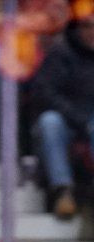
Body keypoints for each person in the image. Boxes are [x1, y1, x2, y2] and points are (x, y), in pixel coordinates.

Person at [29, 15, 94, 220]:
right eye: (87, 26)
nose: (92, 31)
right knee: (49, 122)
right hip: (67, 119)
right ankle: (63, 191)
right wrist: (78, 118)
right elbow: (46, 93)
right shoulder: (61, 52)